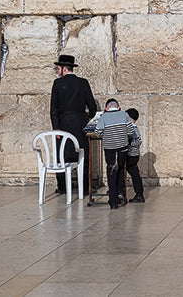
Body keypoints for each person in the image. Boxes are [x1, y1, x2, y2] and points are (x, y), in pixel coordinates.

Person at [49, 55, 96, 195]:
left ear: (64, 68)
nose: (57, 72)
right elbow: (92, 107)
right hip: (80, 124)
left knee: (61, 156)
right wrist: (85, 116)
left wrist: (56, 127)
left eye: (58, 69)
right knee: (83, 155)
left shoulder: (57, 84)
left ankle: (63, 187)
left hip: (62, 125)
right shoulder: (83, 83)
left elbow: (53, 109)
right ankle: (85, 187)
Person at [95, 99, 134, 209]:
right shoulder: (124, 115)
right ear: (118, 107)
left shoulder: (104, 117)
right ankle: (120, 192)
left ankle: (112, 201)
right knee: (121, 168)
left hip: (109, 148)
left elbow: (97, 132)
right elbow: (130, 132)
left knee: (111, 170)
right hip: (122, 148)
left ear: (106, 108)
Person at [126, 108, 145, 203]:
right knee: (135, 174)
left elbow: (138, 141)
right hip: (134, 155)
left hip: (131, 155)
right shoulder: (134, 128)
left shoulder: (132, 129)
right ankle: (139, 194)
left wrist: (128, 142)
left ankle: (139, 194)